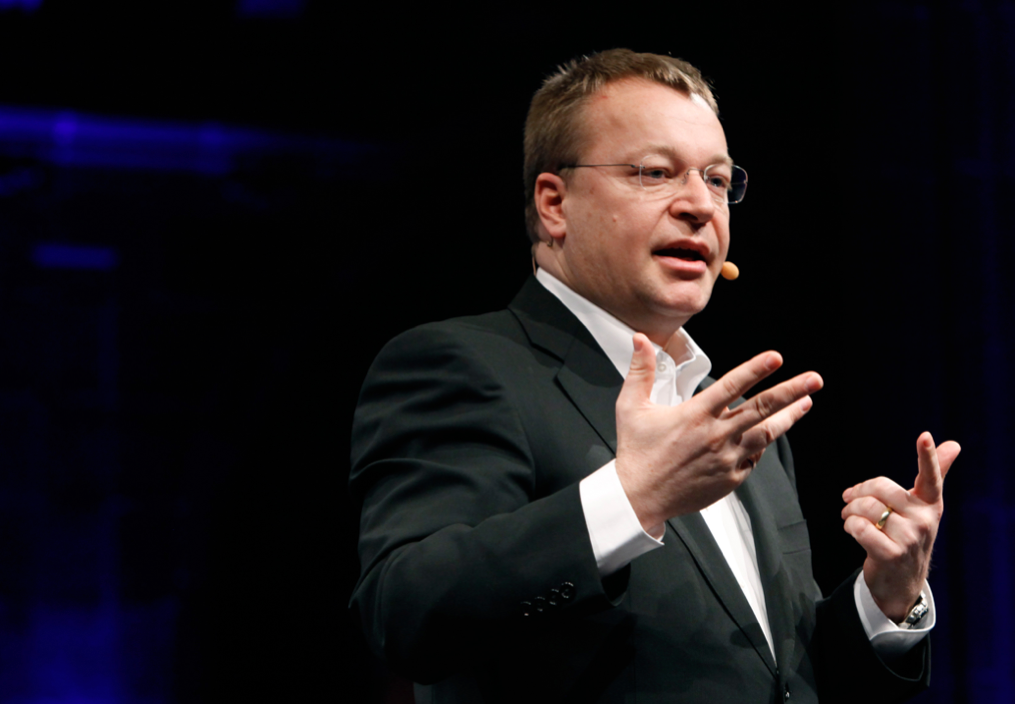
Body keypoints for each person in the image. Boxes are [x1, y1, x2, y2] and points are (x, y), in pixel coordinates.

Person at [349, 49, 959, 703]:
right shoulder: (462, 365)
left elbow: (779, 677)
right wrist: (632, 497)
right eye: (654, 173)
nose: (700, 205)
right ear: (554, 204)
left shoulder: (731, 423)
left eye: (718, 180)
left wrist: (885, 599)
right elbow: (405, 614)